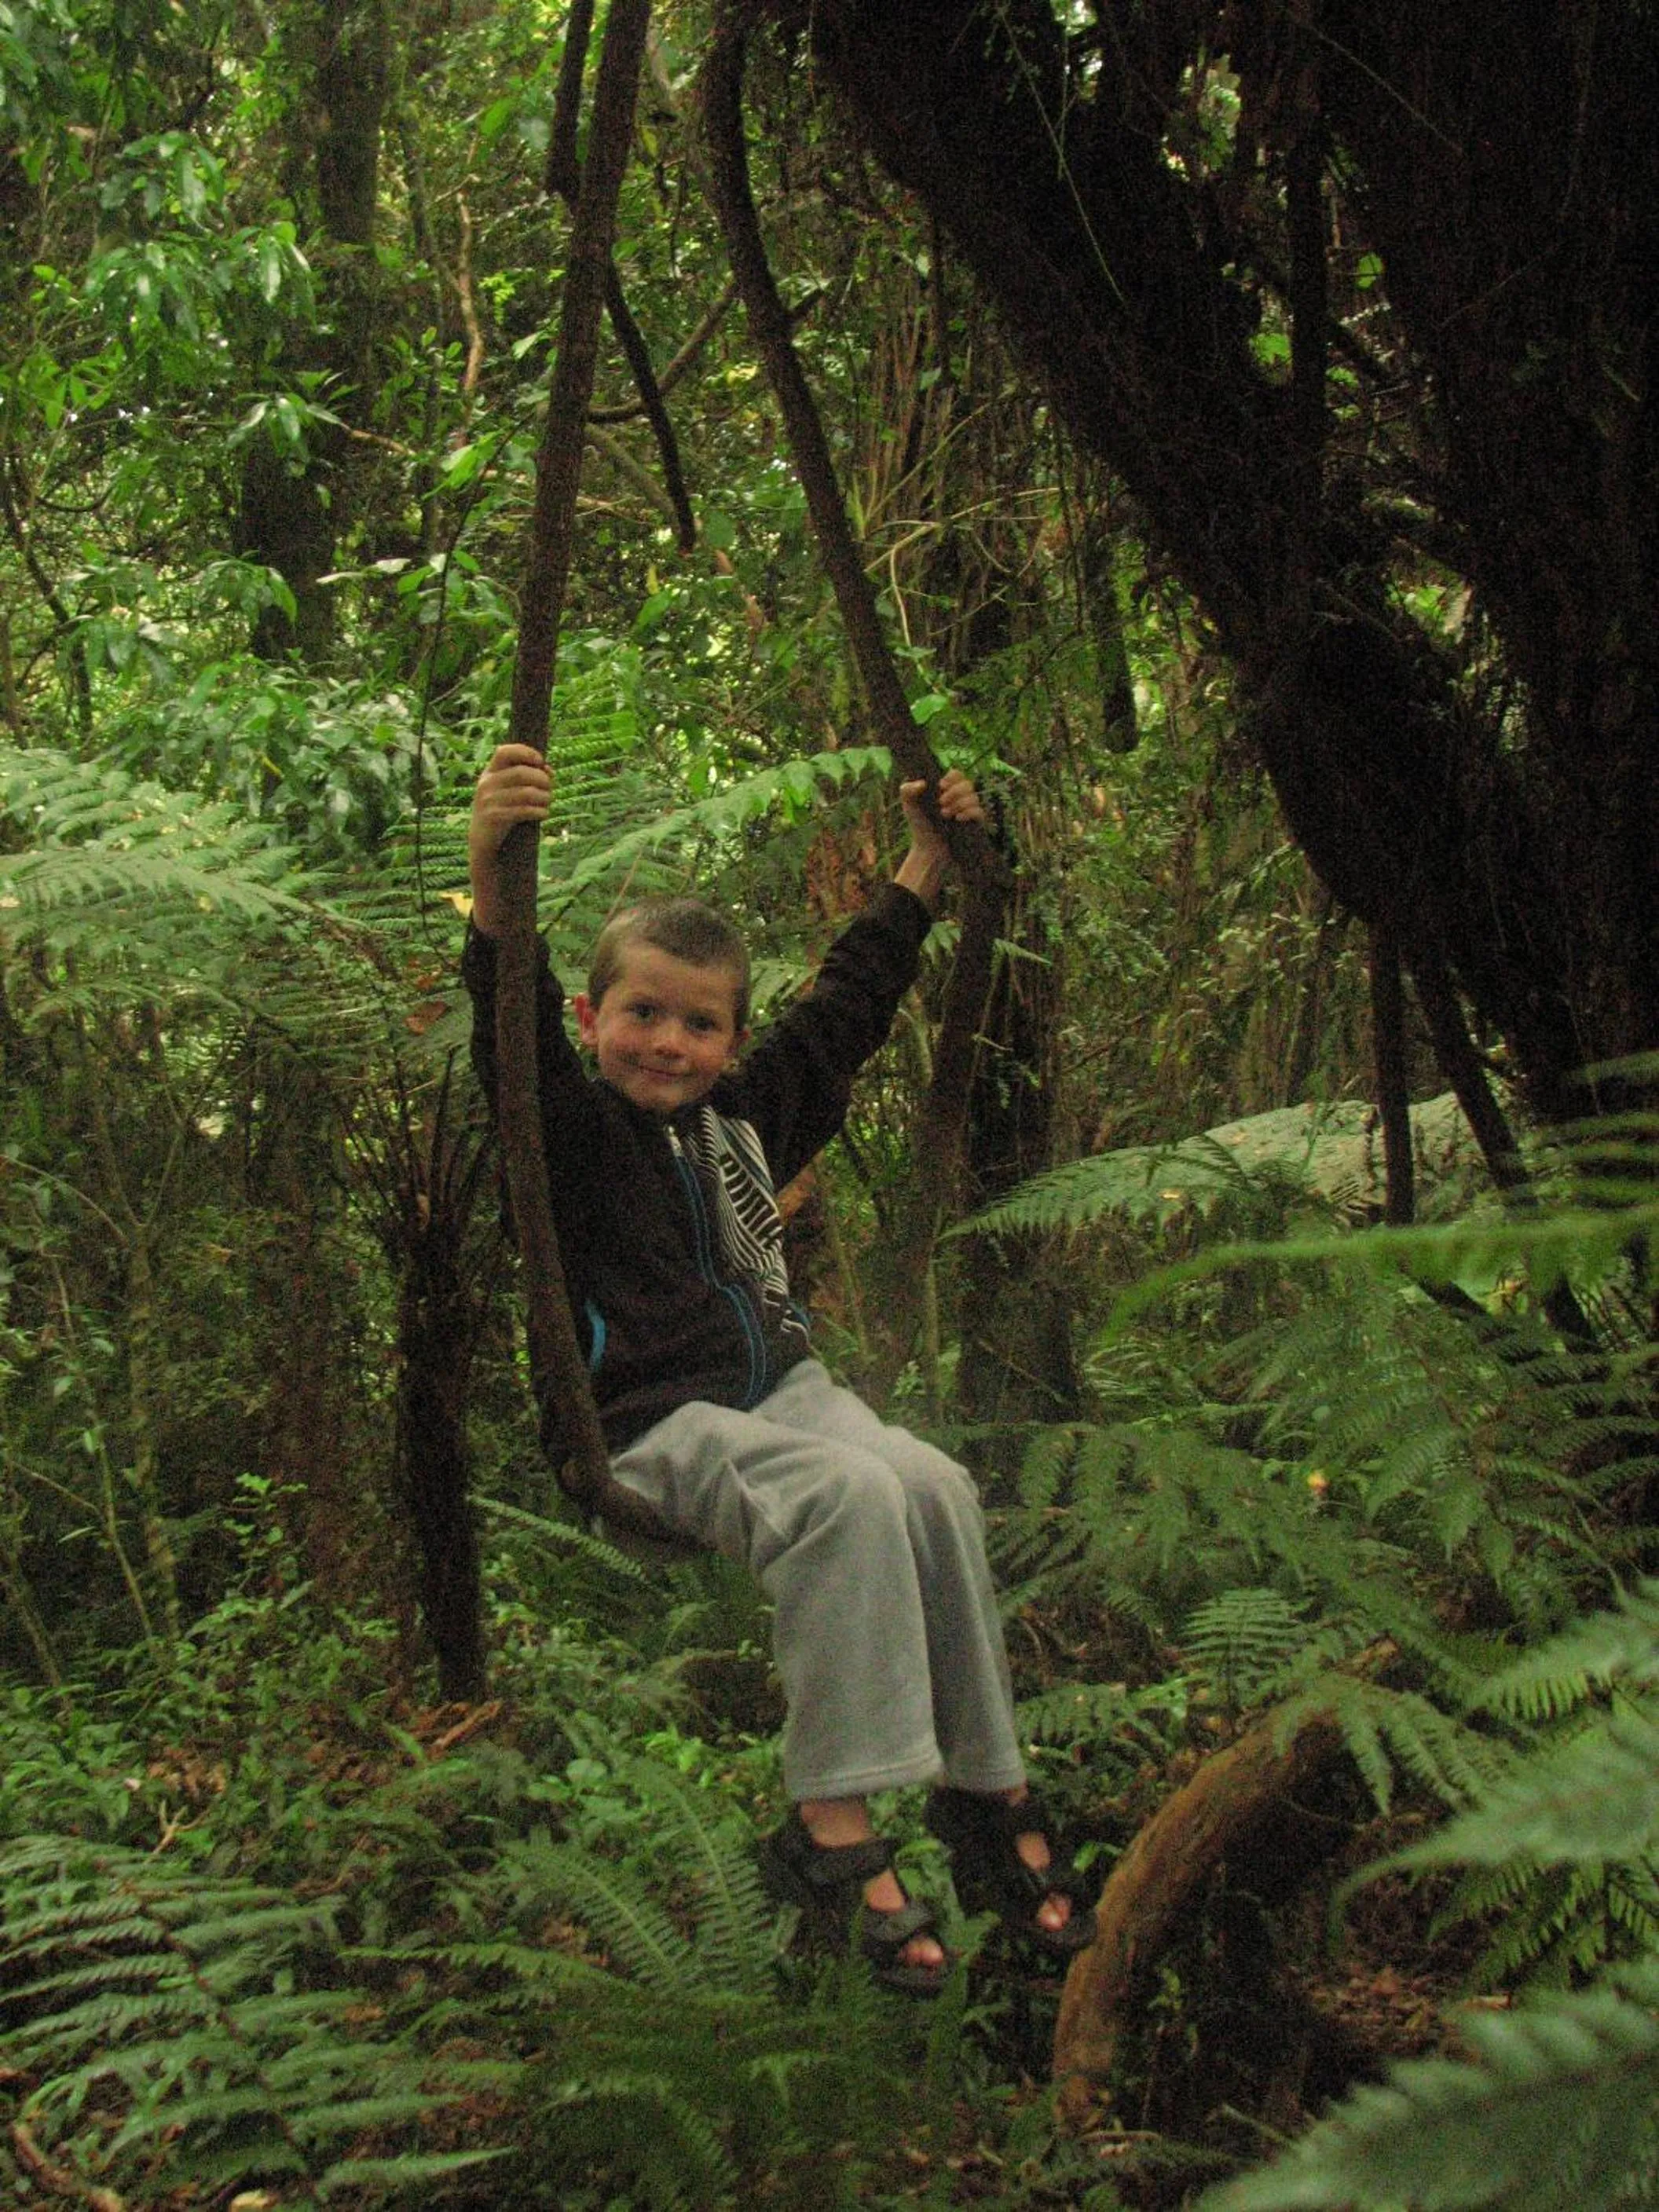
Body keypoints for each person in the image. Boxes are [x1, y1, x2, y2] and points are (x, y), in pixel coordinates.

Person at [463, 742, 1092, 1990]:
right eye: (641, 1014)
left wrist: (925, 860)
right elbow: (508, 1028)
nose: (667, 1043)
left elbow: (848, 1007)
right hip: (651, 1427)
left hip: (783, 1397)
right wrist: (493, 869)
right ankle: (831, 1819)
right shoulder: (572, 1134)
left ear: (731, 1038)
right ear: (593, 1022)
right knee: (846, 1498)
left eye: (699, 1024)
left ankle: (984, 1785)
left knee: (929, 1485)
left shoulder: (747, 1117)